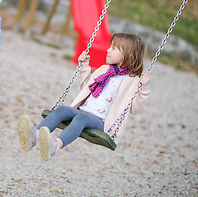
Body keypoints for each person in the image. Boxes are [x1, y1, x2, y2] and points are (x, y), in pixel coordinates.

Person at [17, 33, 150, 161]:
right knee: (63, 109)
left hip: (101, 121)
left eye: (113, 48)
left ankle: (56, 145)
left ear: (128, 55)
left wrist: (143, 89)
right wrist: (84, 66)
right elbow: (87, 87)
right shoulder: (104, 70)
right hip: (83, 111)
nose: (108, 50)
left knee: (82, 118)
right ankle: (35, 136)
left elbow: (135, 109)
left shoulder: (132, 81)